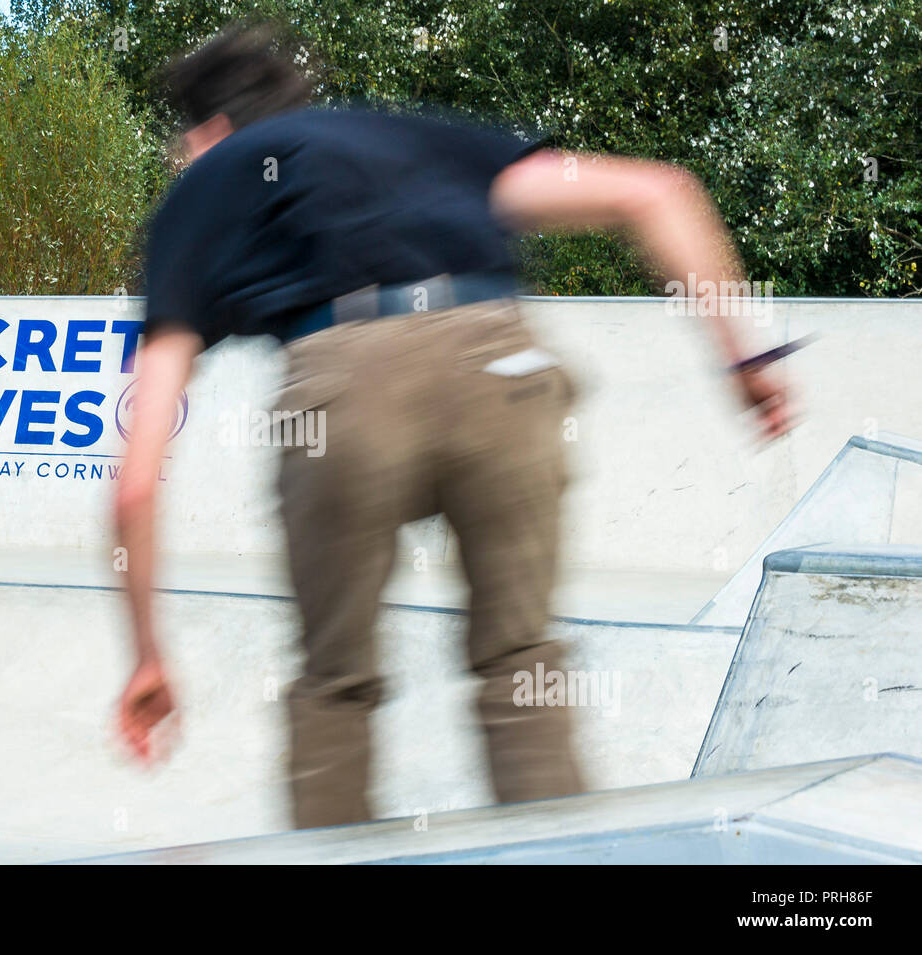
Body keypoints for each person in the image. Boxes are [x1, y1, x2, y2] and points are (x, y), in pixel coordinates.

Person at [113, 23, 793, 829]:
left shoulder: (207, 182)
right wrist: (746, 358)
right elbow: (659, 192)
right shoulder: (412, 138)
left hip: (345, 394)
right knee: (520, 660)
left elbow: (135, 479)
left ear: (209, 131)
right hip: (505, 370)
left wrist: (148, 654)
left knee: (335, 684)